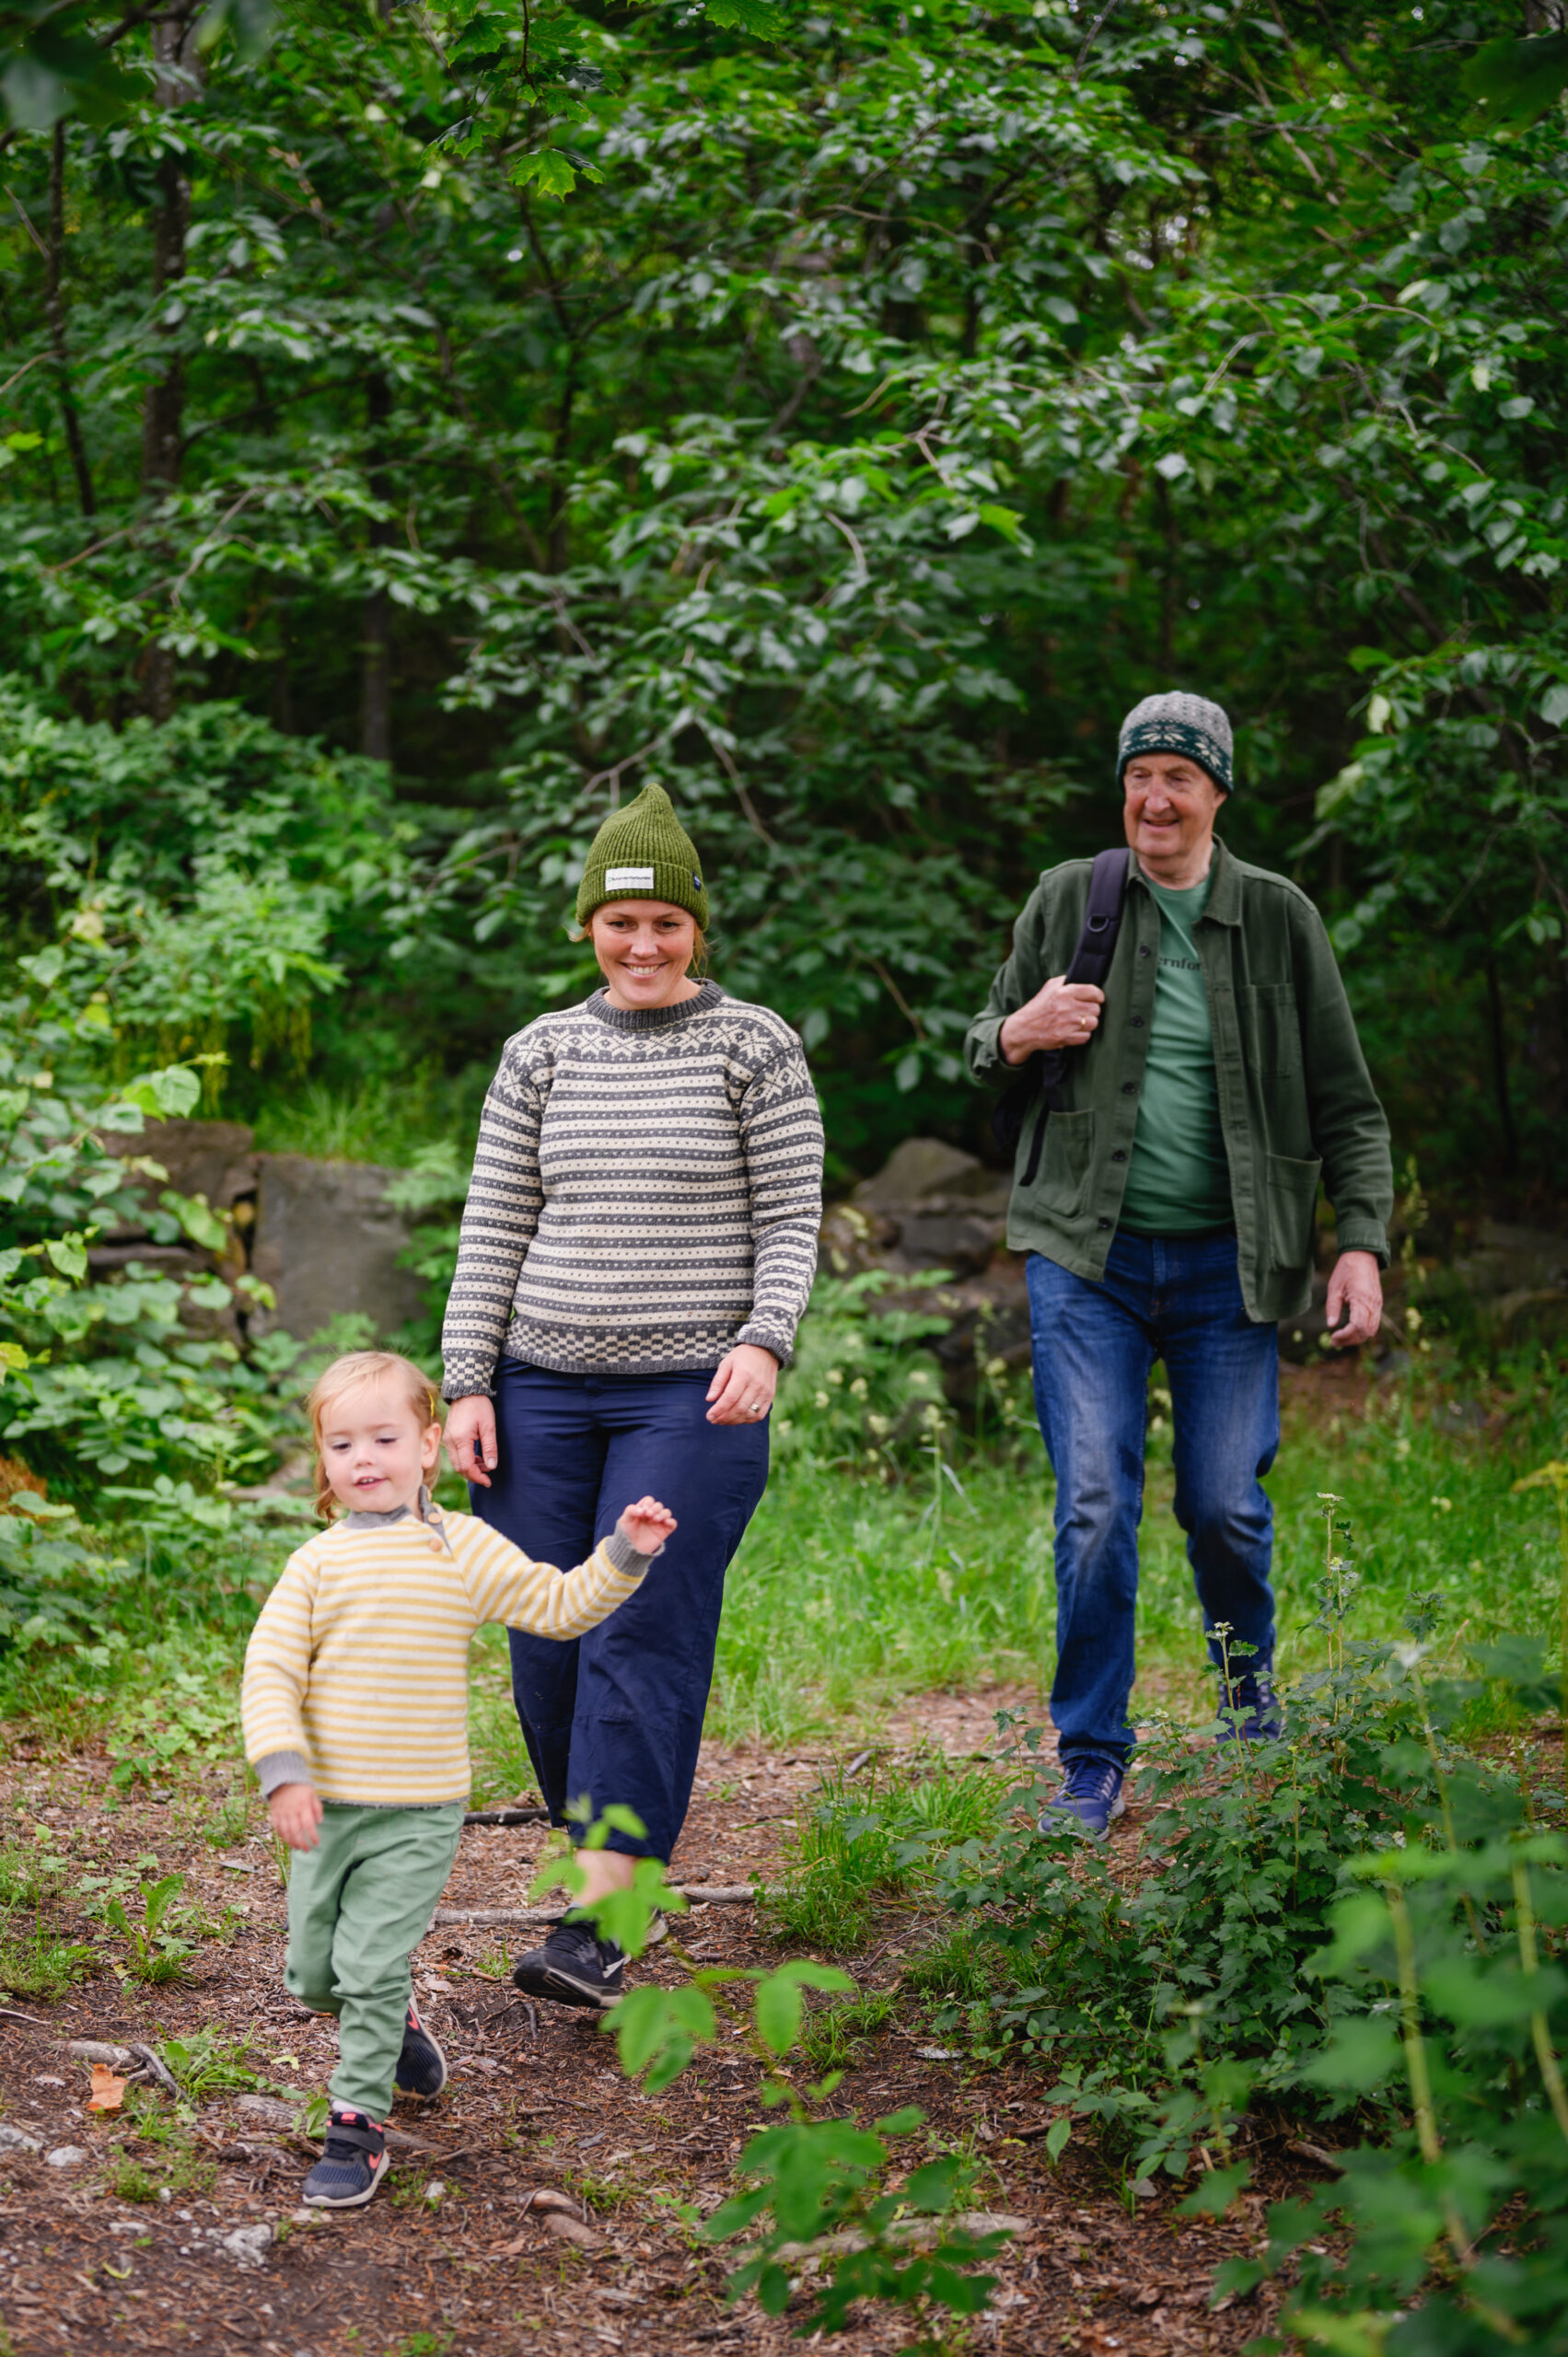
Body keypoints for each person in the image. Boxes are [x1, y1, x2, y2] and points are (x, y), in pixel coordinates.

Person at [965, 691, 1393, 1837]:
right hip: (1084, 1257)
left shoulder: (1274, 916)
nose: (1155, 797)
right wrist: (1020, 1029)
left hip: (1228, 1265)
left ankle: (1251, 1719)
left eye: (1179, 777)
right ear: (1123, 788)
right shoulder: (1072, 898)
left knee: (1222, 1508)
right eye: (1139, 774)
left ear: (1216, 792)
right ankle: (1091, 1756)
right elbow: (979, 1046)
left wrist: (1359, 1239)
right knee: (1094, 1503)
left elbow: (1349, 1103)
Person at [440, 782, 824, 2008]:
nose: (643, 944)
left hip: (690, 1396)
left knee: (635, 1632)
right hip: (539, 1390)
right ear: (587, 931)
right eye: (620, 924)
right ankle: (606, 1863)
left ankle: (605, 1919)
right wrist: (466, 1381)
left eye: (665, 922)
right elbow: (494, 1220)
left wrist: (766, 1339)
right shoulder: (541, 1051)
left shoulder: (750, 1044)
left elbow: (787, 1212)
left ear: (696, 929)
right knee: (546, 1641)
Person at [242, 1348, 674, 2207]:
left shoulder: (461, 1546)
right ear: (323, 1461)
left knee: (366, 1965)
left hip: (418, 1809)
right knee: (315, 1974)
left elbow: (555, 1607)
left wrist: (624, 1555)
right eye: (341, 1446)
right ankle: (392, 2026)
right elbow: (269, 1671)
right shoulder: (315, 1566)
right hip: (326, 1808)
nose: (363, 1460)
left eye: (384, 1438)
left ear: (429, 1446)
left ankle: (356, 2128)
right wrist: (284, 1773)